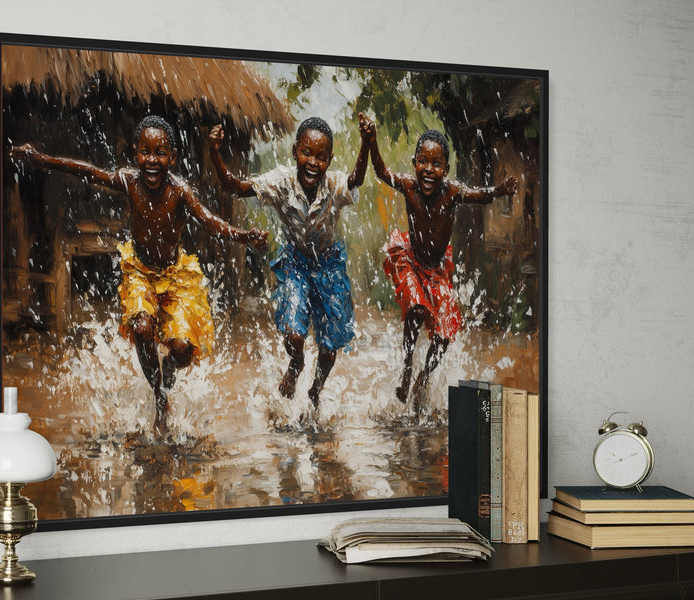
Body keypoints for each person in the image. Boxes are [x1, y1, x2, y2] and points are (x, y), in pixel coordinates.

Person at [11, 115, 268, 435]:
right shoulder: (128, 181)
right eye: (145, 152)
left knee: (183, 350)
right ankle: (161, 400)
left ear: (172, 157)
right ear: (135, 154)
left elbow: (210, 221)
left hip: (176, 276)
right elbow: (88, 171)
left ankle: (169, 369)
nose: (152, 160)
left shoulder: (180, 191)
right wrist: (41, 159)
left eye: (160, 153)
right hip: (141, 273)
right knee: (142, 327)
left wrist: (244, 236)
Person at [208, 114, 374, 408]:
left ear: (329, 160)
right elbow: (235, 187)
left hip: (328, 265)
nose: (312, 162)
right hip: (296, 263)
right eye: (307, 153)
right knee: (294, 333)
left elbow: (356, 179)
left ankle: (315, 390)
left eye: (321, 157)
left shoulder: (334, 185)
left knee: (329, 345)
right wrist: (214, 153)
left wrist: (366, 144)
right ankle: (295, 366)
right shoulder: (281, 182)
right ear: (296, 150)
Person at [369, 127, 518, 416]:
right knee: (414, 306)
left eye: (436, 164)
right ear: (414, 163)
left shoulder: (452, 192)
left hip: (437, 271)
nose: (428, 169)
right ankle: (408, 366)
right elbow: (382, 172)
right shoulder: (409, 186)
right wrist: (372, 142)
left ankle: (425, 374)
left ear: (446, 169)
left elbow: (479, 196)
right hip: (411, 261)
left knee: (446, 331)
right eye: (423, 161)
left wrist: (499, 191)